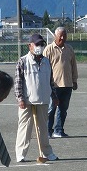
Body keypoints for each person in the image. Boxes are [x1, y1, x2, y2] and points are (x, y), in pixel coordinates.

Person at [15, 33, 58, 162]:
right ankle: (20, 154)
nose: (40, 46)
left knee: (43, 128)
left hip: (43, 100)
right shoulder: (23, 61)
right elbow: (18, 82)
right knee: (25, 128)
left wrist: (54, 96)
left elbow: (51, 81)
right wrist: (20, 98)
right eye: (37, 44)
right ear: (30, 46)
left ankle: (47, 152)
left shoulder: (46, 61)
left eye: (41, 44)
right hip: (27, 101)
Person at [44, 26, 79, 138]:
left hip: (67, 84)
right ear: (55, 36)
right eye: (61, 35)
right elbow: (44, 68)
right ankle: (47, 131)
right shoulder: (48, 49)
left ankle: (59, 130)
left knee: (63, 109)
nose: (63, 38)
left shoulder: (69, 49)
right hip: (53, 85)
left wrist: (74, 80)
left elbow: (73, 66)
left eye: (65, 35)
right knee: (51, 109)